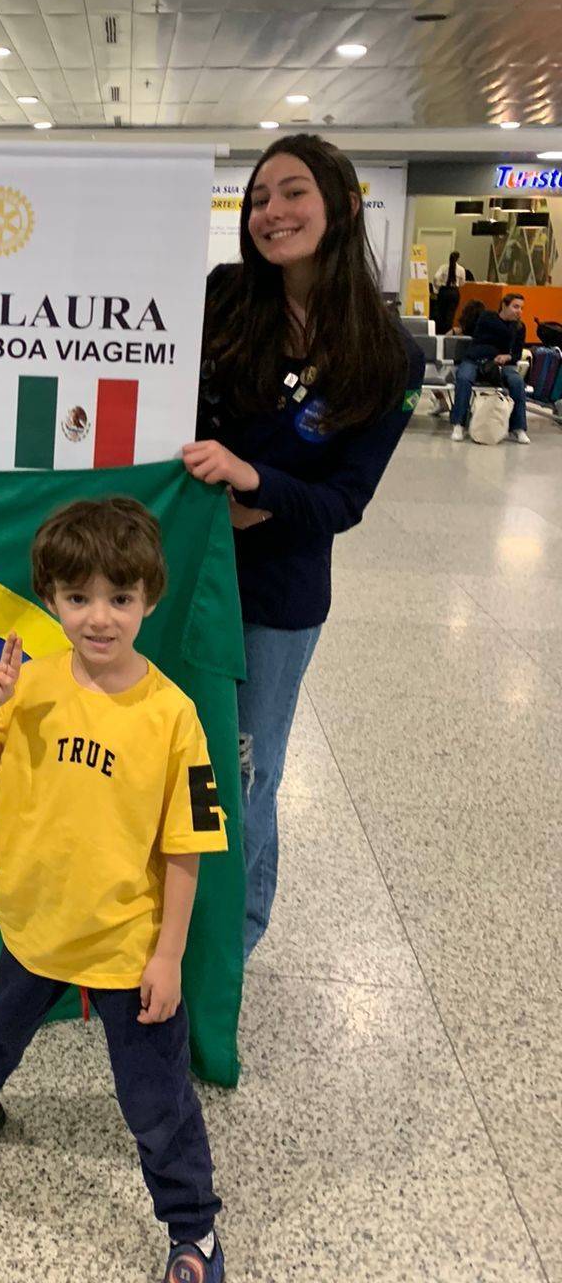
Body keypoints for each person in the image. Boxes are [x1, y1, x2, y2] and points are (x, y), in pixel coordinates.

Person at [0, 498, 228, 1283]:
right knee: (0, 1022)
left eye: (120, 598)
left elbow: (189, 846)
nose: (99, 619)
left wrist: (169, 956)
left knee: (156, 1100)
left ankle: (194, 1230)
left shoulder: (178, 718)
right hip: (34, 921)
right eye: (78, 598)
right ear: (50, 600)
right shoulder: (28, 685)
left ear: (150, 598)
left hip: (124, 945)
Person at [181, 134, 423, 958]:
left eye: (292, 194)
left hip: (274, 599)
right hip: (174, 574)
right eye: (257, 199)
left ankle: (228, 951)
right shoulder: (220, 300)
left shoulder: (386, 354)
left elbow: (343, 500)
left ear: (345, 205)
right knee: (162, 761)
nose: (271, 213)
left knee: (238, 779)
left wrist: (256, 488)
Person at [450, 292, 530, 444]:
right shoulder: (487, 317)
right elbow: (483, 341)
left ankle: (519, 428)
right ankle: (458, 424)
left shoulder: (519, 328)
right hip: (475, 359)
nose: (519, 311)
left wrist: (508, 357)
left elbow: (517, 354)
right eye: (515, 307)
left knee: (517, 381)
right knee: (464, 378)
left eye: (521, 308)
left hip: (503, 365)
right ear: (504, 306)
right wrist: (498, 353)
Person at [432, 250, 464, 334]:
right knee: (450, 314)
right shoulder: (461, 269)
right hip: (454, 292)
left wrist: (437, 287)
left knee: (441, 312)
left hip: (444, 290)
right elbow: (462, 283)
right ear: (458, 259)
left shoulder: (443, 267)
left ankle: (439, 331)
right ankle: (447, 332)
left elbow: (436, 277)